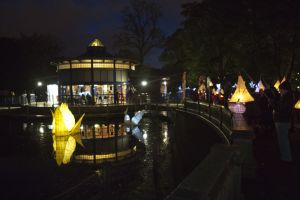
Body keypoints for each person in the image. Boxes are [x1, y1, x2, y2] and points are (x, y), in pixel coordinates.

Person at [272, 81, 294, 162]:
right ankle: (285, 156)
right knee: (282, 139)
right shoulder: (285, 97)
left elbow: (282, 109)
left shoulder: (287, 98)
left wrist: (274, 105)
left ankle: (286, 157)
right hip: (282, 120)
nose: (280, 91)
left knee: (283, 140)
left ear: (285, 89)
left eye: (280, 89)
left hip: (282, 121)